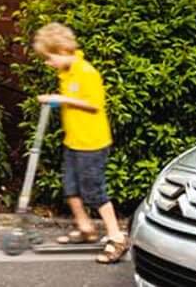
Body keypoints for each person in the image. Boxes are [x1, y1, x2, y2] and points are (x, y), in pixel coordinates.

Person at [32, 21, 127, 264]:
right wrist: (57, 99)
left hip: (92, 143)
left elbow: (94, 105)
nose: (47, 63)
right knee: (70, 188)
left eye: (49, 58)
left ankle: (116, 237)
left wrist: (60, 98)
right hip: (73, 140)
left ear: (63, 51)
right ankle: (86, 228)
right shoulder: (65, 72)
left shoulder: (87, 72)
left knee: (94, 192)